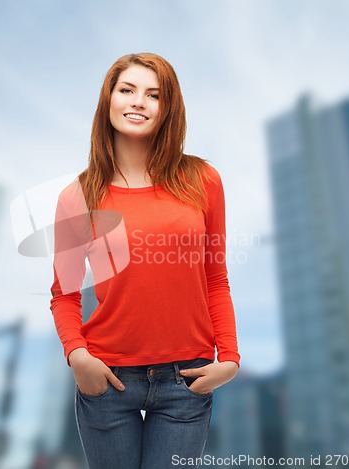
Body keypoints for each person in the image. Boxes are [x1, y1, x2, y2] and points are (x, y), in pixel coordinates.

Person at [50, 52, 240, 469]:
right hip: (108, 378)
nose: (138, 101)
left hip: (186, 381)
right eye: (127, 90)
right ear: (109, 100)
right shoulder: (76, 197)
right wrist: (77, 356)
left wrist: (228, 358)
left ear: (168, 108)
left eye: (153, 95)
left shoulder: (202, 181)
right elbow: (64, 295)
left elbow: (215, 279)